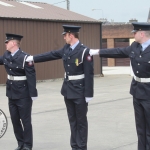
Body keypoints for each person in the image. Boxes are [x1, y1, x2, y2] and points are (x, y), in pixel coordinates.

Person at [26, 25, 94, 150]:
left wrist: (89, 94)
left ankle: (82, 147)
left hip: (79, 91)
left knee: (81, 122)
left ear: (71, 35)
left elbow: (89, 74)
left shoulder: (84, 51)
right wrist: (33, 58)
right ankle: (74, 146)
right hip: (68, 91)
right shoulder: (66, 49)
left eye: (65, 35)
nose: (64, 38)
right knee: (72, 121)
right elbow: (51, 54)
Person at [90, 22, 150, 150]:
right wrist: (96, 52)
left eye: (135, 32)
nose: (133, 35)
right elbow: (117, 51)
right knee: (140, 127)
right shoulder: (134, 46)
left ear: (142, 33)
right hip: (137, 91)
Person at [0, 33, 38, 150]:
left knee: (25, 121)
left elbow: (31, 77)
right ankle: (20, 143)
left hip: (23, 94)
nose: (5, 44)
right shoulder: (6, 55)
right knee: (15, 120)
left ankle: (27, 145)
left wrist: (33, 94)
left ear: (13, 43)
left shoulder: (25, 58)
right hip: (11, 93)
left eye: (7, 42)